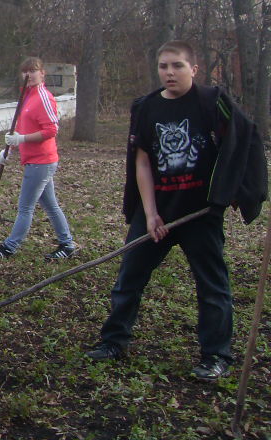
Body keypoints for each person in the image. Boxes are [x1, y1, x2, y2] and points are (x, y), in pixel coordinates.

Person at [85, 41, 267, 380]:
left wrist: (236, 191)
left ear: (194, 69)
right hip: (156, 211)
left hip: (199, 214)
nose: (170, 72)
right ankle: (113, 342)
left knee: (212, 287)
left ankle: (216, 356)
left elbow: (244, 141)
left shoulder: (213, 103)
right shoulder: (146, 108)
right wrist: (151, 214)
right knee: (129, 279)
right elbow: (141, 162)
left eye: (177, 66)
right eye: (164, 66)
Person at [0, 57, 77, 260]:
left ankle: (8, 248)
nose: (29, 75)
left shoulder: (43, 97)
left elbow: (51, 130)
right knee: (51, 206)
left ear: (42, 73)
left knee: (25, 207)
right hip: (35, 160)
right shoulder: (28, 96)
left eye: (33, 71)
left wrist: (21, 138)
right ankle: (67, 244)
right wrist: (10, 148)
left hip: (41, 161)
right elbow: (24, 126)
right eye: (25, 71)